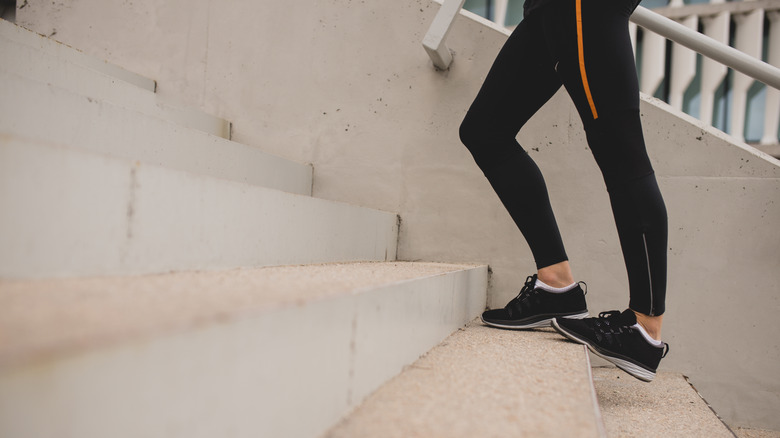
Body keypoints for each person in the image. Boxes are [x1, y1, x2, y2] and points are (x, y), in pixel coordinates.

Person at [458, 0, 669, 382]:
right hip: (548, 9)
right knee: (485, 132)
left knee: (623, 156)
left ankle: (645, 328)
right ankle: (556, 285)